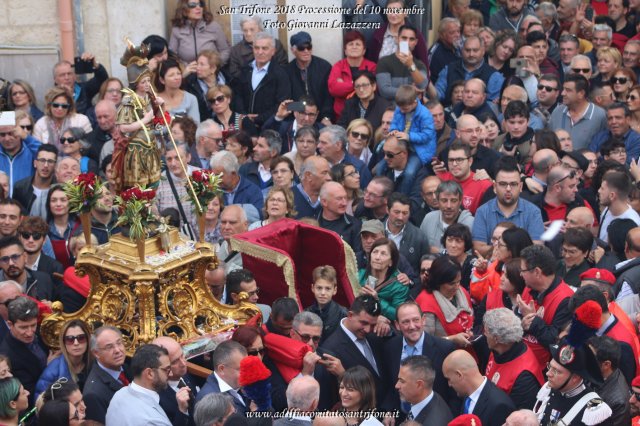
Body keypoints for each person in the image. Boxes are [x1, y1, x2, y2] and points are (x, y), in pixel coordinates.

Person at [381, 302, 456, 417]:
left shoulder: (444, 348)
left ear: (423, 320)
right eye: (405, 322)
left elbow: (454, 392)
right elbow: (390, 386)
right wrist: (389, 411)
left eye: (416, 320)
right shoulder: (389, 348)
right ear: (397, 325)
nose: (412, 326)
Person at [316, 295, 385, 410]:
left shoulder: (376, 335)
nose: (368, 329)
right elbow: (334, 394)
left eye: (373, 325)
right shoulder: (330, 348)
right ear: (350, 315)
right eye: (363, 323)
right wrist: (344, 375)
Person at [472, 157, 545, 257]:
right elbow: (478, 249)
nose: (508, 189)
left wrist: (502, 248)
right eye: (503, 184)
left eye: (513, 184)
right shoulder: (482, 211)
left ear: (520, 187)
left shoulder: (533, 212)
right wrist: (511, 248)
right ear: (494, 187)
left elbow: (536, 249)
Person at [534, 335, 612, 425]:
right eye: (550, 367)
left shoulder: (596, 410)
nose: (548, 373)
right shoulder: (548, 388)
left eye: (557, 371)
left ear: (576, 377)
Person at [518, 245, 574, 363]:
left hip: (545, 368)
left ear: (537, 272)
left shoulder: (565, 299)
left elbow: (555, 341)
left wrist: (533, 320)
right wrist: (521, 323)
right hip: (521, 356)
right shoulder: (529, 287)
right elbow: (516, 320)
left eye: (523, 270)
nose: (520, 274)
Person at [483, 308, 544, 409]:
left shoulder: (524, 377)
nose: (484, 334)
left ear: (496, 338)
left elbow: (520, 416)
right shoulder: (499, 349)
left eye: (486, 332)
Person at [105, 344, 176, 426]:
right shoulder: (152, 421)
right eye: (166, 370)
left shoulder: (119, 395)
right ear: (149, 373)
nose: (171, 374)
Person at [231, 32, 291, 128]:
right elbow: (237, 95)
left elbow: (281, 103)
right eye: (257, 48)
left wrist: (258, 118)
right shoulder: (245, 69)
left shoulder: (280, 74)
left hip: (269, 126)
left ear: (273, 51)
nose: (260, 52)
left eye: (265, 48)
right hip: (244, 125)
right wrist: (245, 116)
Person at [442, 350, 515, 426]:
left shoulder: (499, 406)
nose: (449, 384)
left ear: (459, 375)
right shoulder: (467, 394)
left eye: (448, 379)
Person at [415, 255, 474, 349]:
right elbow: (423, 340)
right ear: (438, 282)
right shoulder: (426, 303)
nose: (457, 286)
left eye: (459, 281)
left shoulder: (462, 292)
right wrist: (451, 339)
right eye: (451, 284)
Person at [0, 296, 47, 406]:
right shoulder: (8, 356)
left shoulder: (41, 331)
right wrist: (50, 365)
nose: (30, 332)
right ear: (10, 324)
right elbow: (30, 394)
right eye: (23, 327)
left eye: (33, 325)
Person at [436, 36, 504, 105]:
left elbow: (492, 106)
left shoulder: (494, 76)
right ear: (462, 51)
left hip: (479, 115)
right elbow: (437, 95)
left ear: (483, 51)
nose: (471, 54)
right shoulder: (449, 69)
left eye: (475, 50)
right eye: (467, 50)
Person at [473, 228, 532, 308]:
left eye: (500, 245)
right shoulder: (494, 267)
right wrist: (481, 273)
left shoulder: (530, 274)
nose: (495, 247)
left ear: (512, 249)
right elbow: (478, 297)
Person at [35, 319, 92, 399]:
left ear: (88, 340)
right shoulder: (53, 371)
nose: (76, 343)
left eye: (81, 338)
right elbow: (40, 402)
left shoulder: (96, 362)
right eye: (70, 339)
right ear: (63, 342)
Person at [83, 326, 130, 424]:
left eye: (119, 343)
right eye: (109, 347)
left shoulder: (130, 368)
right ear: (96, 353)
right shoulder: (93, 394)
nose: (117, 350)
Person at [549, 74, 608, 150]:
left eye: (568, 90)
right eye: (563, 89)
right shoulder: (557, 112)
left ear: (581, 93)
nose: (562, 93)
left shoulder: (600, 115)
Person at [328, 31, 377, 121]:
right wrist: (360, 85)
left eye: (358, 44)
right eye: (350, 44)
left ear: (364, 50)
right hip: (342, 116)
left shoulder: (372, 66)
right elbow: (333, 89)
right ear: (345, 50)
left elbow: (372, 89)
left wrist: (344, 84)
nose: (354, 47)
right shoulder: (338, 66)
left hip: (367, 116)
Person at [285, 32, 333, 124]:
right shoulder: (287, 71)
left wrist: (326, 117)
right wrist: (303, 111)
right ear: (293, 50)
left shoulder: (324, 67)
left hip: (321, 118)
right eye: (301, 48)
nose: (306, 51)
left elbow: (329, 97)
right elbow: (287, 103)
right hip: (297, 119)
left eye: (309, 47)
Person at [358, 237, 408, 322]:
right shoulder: (359, 275)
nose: (377, 257)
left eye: (383, 254)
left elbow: (398, 315)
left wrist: (377, 301)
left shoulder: (399, 285)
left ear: (391, 262)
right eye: (375, 252)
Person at [376, 24, 430, 101]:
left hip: (414, 109)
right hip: (391, 109)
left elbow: (423, 85)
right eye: (404, 38)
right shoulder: (384, 62)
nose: (407, 42)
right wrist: (410, 92)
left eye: (411, 39)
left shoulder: (419, 64)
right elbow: (384, 91)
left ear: (415, 42)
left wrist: (411, 65)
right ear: (397, 39)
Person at [435, 142, 491, 215]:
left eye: (459, 160)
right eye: (451, 160)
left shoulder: (484, 185)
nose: (454, 164)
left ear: (470, 161)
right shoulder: (439, 180)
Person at [395, 355, 453, 424]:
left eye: (402, 381)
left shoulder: (433, 422)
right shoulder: (431, 398)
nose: (396, 386)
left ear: (419, 385)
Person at [169, 0, 229, 66]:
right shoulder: (177, 29)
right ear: (184, 10)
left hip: (210, 73)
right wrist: (185, 67)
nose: (198, 7)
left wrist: (213, 65)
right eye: (192, 5)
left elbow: (225, 51)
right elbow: (172, 55)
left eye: (200, 4)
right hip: (188, 73)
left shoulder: (213, 26)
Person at [420, 181, 474, 254]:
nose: (449, 206)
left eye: (453, 201)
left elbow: (469, 255)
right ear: (438, 201)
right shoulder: (429, 218)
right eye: (444, 200)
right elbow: (421, 247)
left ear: (460, 201)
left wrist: (440, 251)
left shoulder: (470, 223)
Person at [195, 340, 248, 414]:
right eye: (241, 369)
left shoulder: (242, 385)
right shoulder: (209, 402)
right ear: (222, 369)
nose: (247, 373)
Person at [590, 335, 632, 426]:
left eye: (591, 358)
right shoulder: (593, 373)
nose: (585, 360)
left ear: (606, 365)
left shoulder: (619, 402)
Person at [210, 150, 263, 217]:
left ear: (233, 174)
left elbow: (259, 215)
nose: (215, 179)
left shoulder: (253, 191)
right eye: (213, 175)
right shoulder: (211, 189)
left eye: (219, 176)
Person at [384, 193, 429, 272]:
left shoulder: (419, 237)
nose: (400, 217)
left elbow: (421, 269)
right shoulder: (376, 231)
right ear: (387, 210)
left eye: (405, 213)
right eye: (397, 212)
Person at [12, 144, 57, 219]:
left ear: (55, 165)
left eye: (50, 161)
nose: (46, 165)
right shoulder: (20, 187)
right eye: (42, 160)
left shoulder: (59, 189)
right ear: (35, 163)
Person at [304, 265, 348, 344]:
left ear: (334, 290)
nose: (323, 293)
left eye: (327, 289)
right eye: (319, 288)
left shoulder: (342, 314)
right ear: (312, 288)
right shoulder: (306, 313)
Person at [154, 58, 200, 123]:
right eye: (171, 75)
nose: (177, 77)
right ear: (162, 80)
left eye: (178, 73)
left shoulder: (191, 99)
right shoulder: (156, 100)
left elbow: (195, 125)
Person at [599, 172, 640, 243]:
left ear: (612, 195)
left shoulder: (633, 223)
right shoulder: (607, 210)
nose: (599, 191)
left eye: (602, 188)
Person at [239, 129, 281, 195]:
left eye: (260, 146)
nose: (254, 148)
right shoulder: (244, 170)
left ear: (273, 152)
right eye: (256, 145)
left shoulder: (283, 173)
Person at [428, 18, 462, 84]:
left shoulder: (457, 47)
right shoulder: (436, 53)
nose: (457, 35)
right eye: (452, 32)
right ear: (442, 35)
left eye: (458, 31)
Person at [216, 206, 249, 273]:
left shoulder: (253, 252)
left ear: (245, 225)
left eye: (232, 222)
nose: (226, 227)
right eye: (223, 222)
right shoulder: (222, 245)